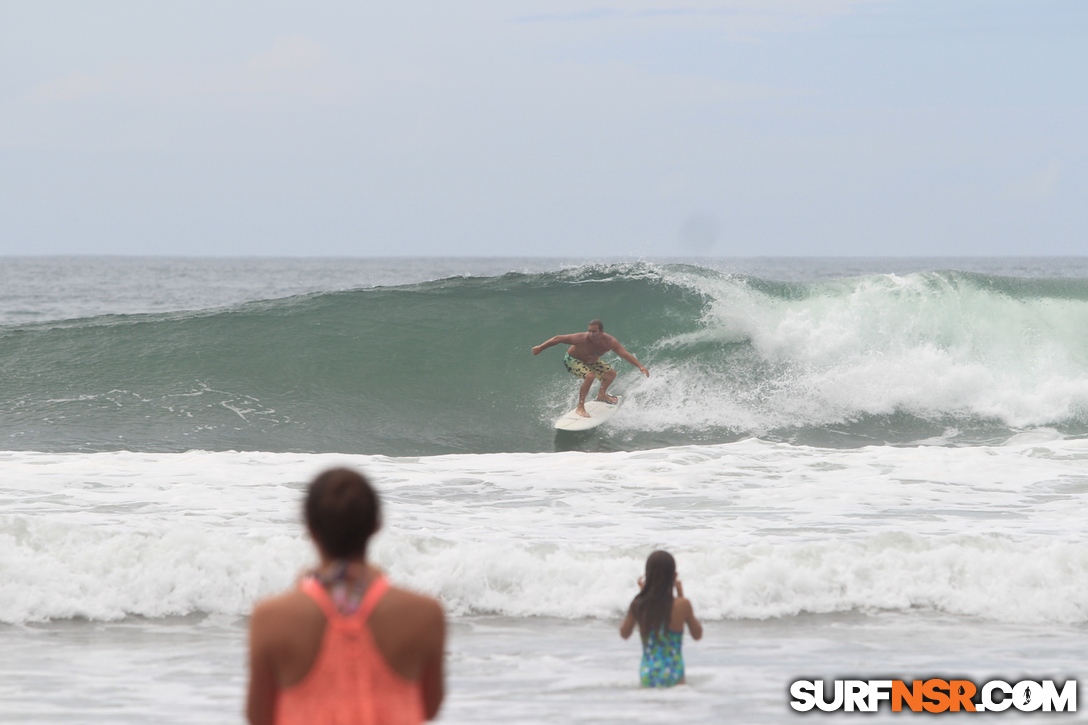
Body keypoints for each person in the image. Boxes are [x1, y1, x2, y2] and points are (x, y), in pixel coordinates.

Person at [246, 468, 445, 725]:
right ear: (376, 524)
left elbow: (259, 717)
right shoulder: (424, 613)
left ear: (310, 528)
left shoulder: (271, 617)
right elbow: (429, 708)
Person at [532, 319, 649, 418]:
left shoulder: (610, 342)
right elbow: (558, 338)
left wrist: (640, 366)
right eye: (589, 331)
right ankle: (580, 408)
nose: (591, 334)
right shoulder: (581, 338)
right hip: (572, 359)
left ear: (601, 331)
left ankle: (601, 395)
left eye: (594, 331)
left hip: (591, 362)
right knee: (590, 376)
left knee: (611, 374)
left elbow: (625, 354)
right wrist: (541, 347)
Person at [619, 550, 702, 688]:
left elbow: (624, 633)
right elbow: (697, 634)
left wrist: (641, 596)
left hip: (648, 674)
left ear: (647, 576)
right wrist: (681, 596)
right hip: (674, 674)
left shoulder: (638, 605)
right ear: (674, 576)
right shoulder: (682, 605)